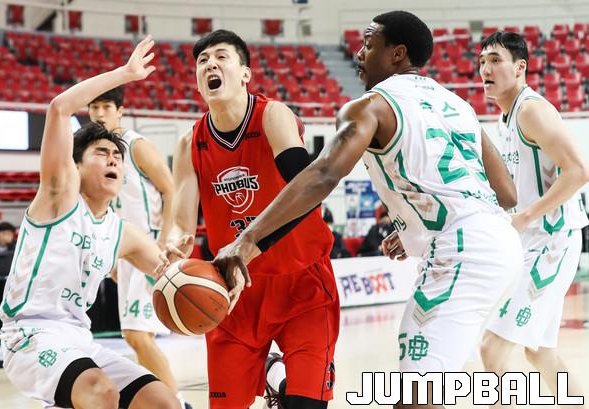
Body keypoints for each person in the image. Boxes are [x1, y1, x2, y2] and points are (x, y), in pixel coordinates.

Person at [212, 11, 523, 409]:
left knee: (417, 396)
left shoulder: (369, 106)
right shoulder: (458, 105)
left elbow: (323, 175)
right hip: (500, 244)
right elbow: (506, 192)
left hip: (462, 251)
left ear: (397, 53)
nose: (358, 53)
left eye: (368, 44)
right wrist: (416, 223)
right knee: (424, 390)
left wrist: (247, 240)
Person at [0, 36, 191, 409]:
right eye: (102, 153)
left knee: (163, 402)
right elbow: (59, 108)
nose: (113, 160)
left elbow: (171, 277)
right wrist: (126, 73)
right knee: (101, 391)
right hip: (29, 334)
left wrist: (186, 269)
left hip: (79, 340)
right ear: (76, 165)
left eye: (117, 156)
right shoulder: (59, 196)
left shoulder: (124, 234)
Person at [167, 29, 339, 409]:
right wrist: (174, 247)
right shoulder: (189, 143)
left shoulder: (273, 115)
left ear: (245, 73)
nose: (210, 64)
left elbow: (307, 191)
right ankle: (273, 373)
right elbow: (181, 223)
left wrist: (248, 245)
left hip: (301, 283)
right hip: (232, 291)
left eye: (221, 57)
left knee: (307, 405)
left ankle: (278, 378)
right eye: (202, 61)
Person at [478, 31, 589, 405]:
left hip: (552, 240)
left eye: (495, 60)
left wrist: (525, 216)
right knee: (540, 352)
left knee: (492, 347)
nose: (486, 69)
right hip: (532, 240)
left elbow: (579, 171)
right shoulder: (505, 118)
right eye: (482, 62)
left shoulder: (531, 110)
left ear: (519, 67)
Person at [87, 87, 191, 409]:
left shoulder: (135, 145)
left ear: (120, 110)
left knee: (137, 335)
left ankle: (177, 403)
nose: (99, 113)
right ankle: (171, 401)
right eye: (93, 107)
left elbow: (171, 189)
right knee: (135, 337)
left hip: (149, 245)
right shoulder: (99, 155)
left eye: (106, 106)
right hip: (126, 250)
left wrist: (161, 241)